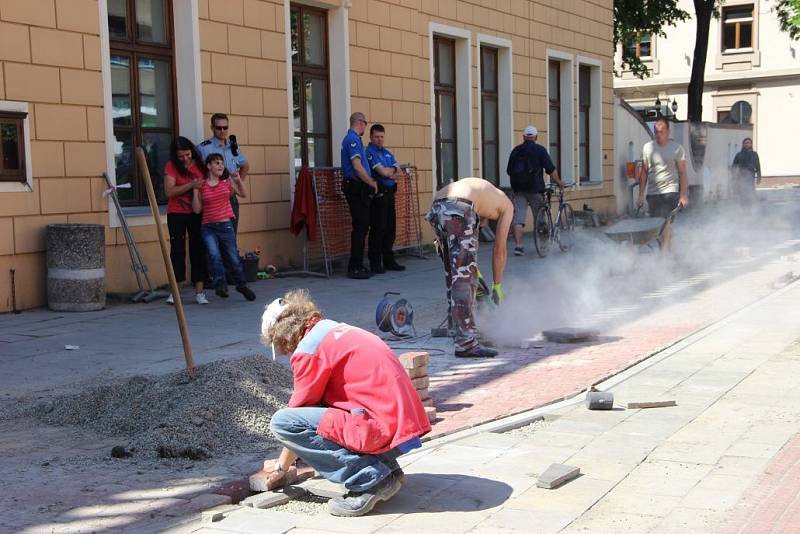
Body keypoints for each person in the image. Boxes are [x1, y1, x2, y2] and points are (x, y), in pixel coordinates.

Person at [260, 289, 431, 517]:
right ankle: (387, 470)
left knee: (282, 422)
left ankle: (369, 479)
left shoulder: (309, 350)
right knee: (325, 411)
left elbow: (297, 414)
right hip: (403, 424)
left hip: (380, 426)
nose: (285, 352)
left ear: (282, 335)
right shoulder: (333, 328)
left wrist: (281, 468)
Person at [426, 177, 514, 358]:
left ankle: (456, 329)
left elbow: (465, 253)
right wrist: (497, 285)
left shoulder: (483, 192)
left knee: (453, 275)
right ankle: (466, 343)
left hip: (437, 207)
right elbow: (500, 249)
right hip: (459, 207)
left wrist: (475, 272)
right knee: (464, 280)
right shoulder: (508, 206)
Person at [192, 153, 256, 301]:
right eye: (216, 163)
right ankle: (220, 284)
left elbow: (243, 194)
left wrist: (239, 181)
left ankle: (241, 285)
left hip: (225, 225)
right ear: (209, 166)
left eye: (221, 163)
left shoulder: (226, 183)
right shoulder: (202, 185)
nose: (221, 165)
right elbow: (196, 209)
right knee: (214, 256)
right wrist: (195, 191)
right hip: (208, 227)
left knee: (233, 258)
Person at [506, 125, 565, 256]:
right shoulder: (540, 150)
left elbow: (509, 171)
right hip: (535, 190)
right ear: (536, 137)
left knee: (519, 219)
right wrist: (559, 182)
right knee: (540, 218)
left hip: (518, 190)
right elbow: (551, 170)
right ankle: (543, 245)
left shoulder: (516, 151)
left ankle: (519, 247)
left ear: (523, 137)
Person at [164, 137, 208, 305]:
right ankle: (176, 292)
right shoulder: (171, 166)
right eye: (181, 156)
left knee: (197, 249)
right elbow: (169, 191)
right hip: (176, 213)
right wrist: (191, 185)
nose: (185, 159)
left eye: (187, 154)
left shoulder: (201, 165)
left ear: (192, 151)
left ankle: (200, 292)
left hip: (197, 212)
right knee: (177, 251)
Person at [637, 117, 689, 251]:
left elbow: (682, 173)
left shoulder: (677, 148)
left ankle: (664, 261)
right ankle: (667, 253)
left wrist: (683, 195)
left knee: (665, 224)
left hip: (670, 192)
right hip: (653, 193)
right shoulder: (648, 148)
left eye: (662, 131)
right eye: (656, 132)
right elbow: (644, 172)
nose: (659, 134)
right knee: (658, 228)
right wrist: (641, 195)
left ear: (668, 131)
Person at [341, 112, 379, 279]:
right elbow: (357, 166)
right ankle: (354, 266)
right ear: (360, 122)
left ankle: (358, 265)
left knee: (362, 226)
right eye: (365, 123)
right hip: (356, 187)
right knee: (360, 226)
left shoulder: (354, 140)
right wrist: (371, 182)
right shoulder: (353, 140)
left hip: (357, 186)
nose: (365, 126)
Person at [198, 113, 249, 234]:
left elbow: (245, 165)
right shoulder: (203, 148)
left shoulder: (233, 147)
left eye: (225, 127)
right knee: (213, 240)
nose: (222, 131)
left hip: (229, 197)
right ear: (212, 128)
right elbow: (198, 173)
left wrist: (236, 185)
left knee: (231, 237)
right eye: (218, 128)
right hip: (212, 198)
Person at [365, 124, 406, 274]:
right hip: (378, 195)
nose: (379, 140)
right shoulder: (369, 153)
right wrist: (390, 172)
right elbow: (381, 172)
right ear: (370, 137)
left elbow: (398, 172)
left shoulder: (387, 153)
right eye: (376, 137)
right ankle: (375, 263)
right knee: (378, 229)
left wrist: (391, 172)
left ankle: (389, 260)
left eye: (381, 137)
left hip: (390, 194)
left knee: (390, 228)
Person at [731, 137, 761, 205]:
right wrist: (733, 177)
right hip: (741, 178)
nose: (748, 144)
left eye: (749, 143)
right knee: (742, 195)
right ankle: (744, 210)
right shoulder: (739, 155)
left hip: (751, 177)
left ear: (751, 144)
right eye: (746, 143)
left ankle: (749, 210)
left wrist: (759, 177)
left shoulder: (754, 154)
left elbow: (758, 166)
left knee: (750, 194)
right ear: (743, 144)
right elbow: (734, 167)